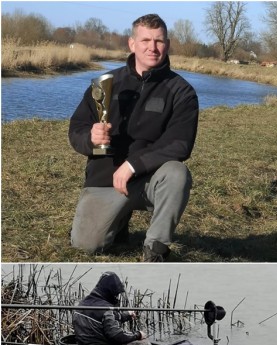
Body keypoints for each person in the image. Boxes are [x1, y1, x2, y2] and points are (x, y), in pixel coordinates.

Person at [69, 14, 199, 262]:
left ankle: (156, 249)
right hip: (105, 179)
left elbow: (180, 144)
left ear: (167, 44)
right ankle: (117, 225)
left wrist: (133, 165)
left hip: (150, 180)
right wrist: (90, 137)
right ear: (132, 44)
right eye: (145, 40)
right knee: (85, 245)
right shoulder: (105, 84)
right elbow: (76, 129)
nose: (153, 47)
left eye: (159, 41)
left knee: (177, 174)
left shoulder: (182, 92)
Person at [72, 272, 152, 345]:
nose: (116, 297)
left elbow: (102, 319)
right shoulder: (105, 309)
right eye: (116, 294)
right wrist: (138, 335)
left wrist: (127, 315)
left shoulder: (82, 304)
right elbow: (117, 336)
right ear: (110, 292)